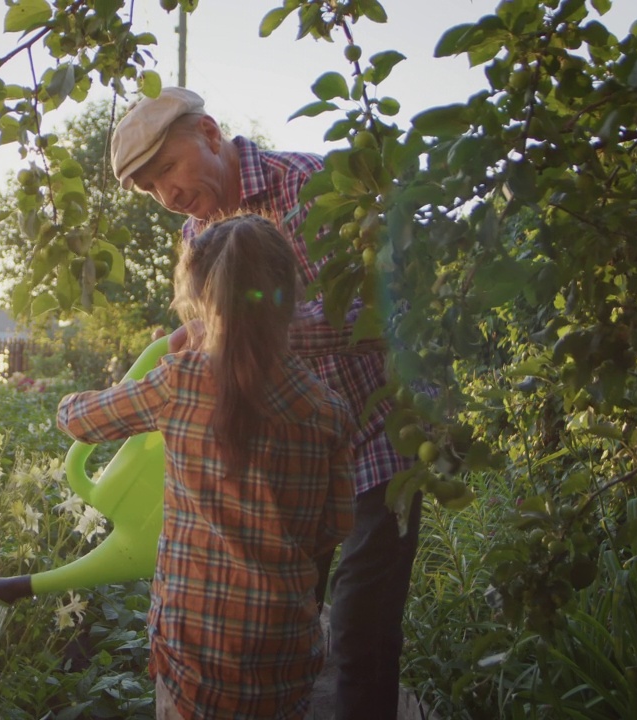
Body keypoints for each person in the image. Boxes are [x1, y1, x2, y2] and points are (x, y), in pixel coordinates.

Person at [110, 87, 421, 720]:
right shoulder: (199, 237)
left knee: (362, 633)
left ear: (210, 133)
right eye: (150, 189)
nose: (166, 196)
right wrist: (186, 348)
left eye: (167, 168)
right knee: (279, 628)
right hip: (287, 465)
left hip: (384, 441)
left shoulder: (312, 185)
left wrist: (250, 330)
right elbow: (216, 351)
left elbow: (396, 314)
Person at [57, 213, 355, 719]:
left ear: (202, 300)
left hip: (192, 653)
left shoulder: (181, 381)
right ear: (288, 297)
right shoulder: (328, 410)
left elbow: (77, 420)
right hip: (284, 654)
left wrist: (163, 359)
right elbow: (335, 525)